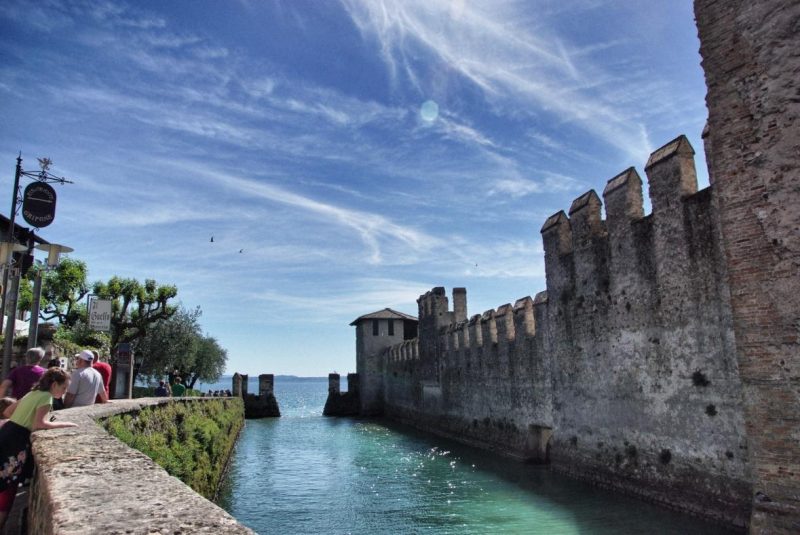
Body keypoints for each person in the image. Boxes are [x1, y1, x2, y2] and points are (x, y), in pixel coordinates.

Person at [0, 368, 78, 530]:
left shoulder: (32, 393)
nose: (64, 393)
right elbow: (38, 424)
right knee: (8, 485)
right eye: (63, 388)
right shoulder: (46, 398)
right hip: (17, 441)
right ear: (54, 384)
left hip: (6, 434)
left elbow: (7, 412)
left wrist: (23, 416)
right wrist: (66, 424)